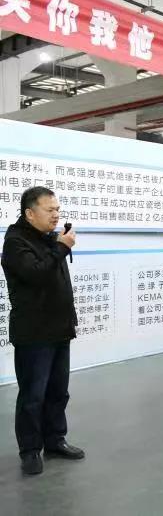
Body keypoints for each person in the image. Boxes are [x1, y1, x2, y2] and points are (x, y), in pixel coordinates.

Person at [1, 187, 83, 476]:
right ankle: (30, 450)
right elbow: (35, 274)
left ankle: (55, 440)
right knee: (33, 395)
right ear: (30, 213)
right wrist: (61, 248)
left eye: (57, 209)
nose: (56, 215)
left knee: (58, 391)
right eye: (50, 210)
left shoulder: (49, 238)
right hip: (34, 333)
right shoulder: (15, 242)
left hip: (59, 328)